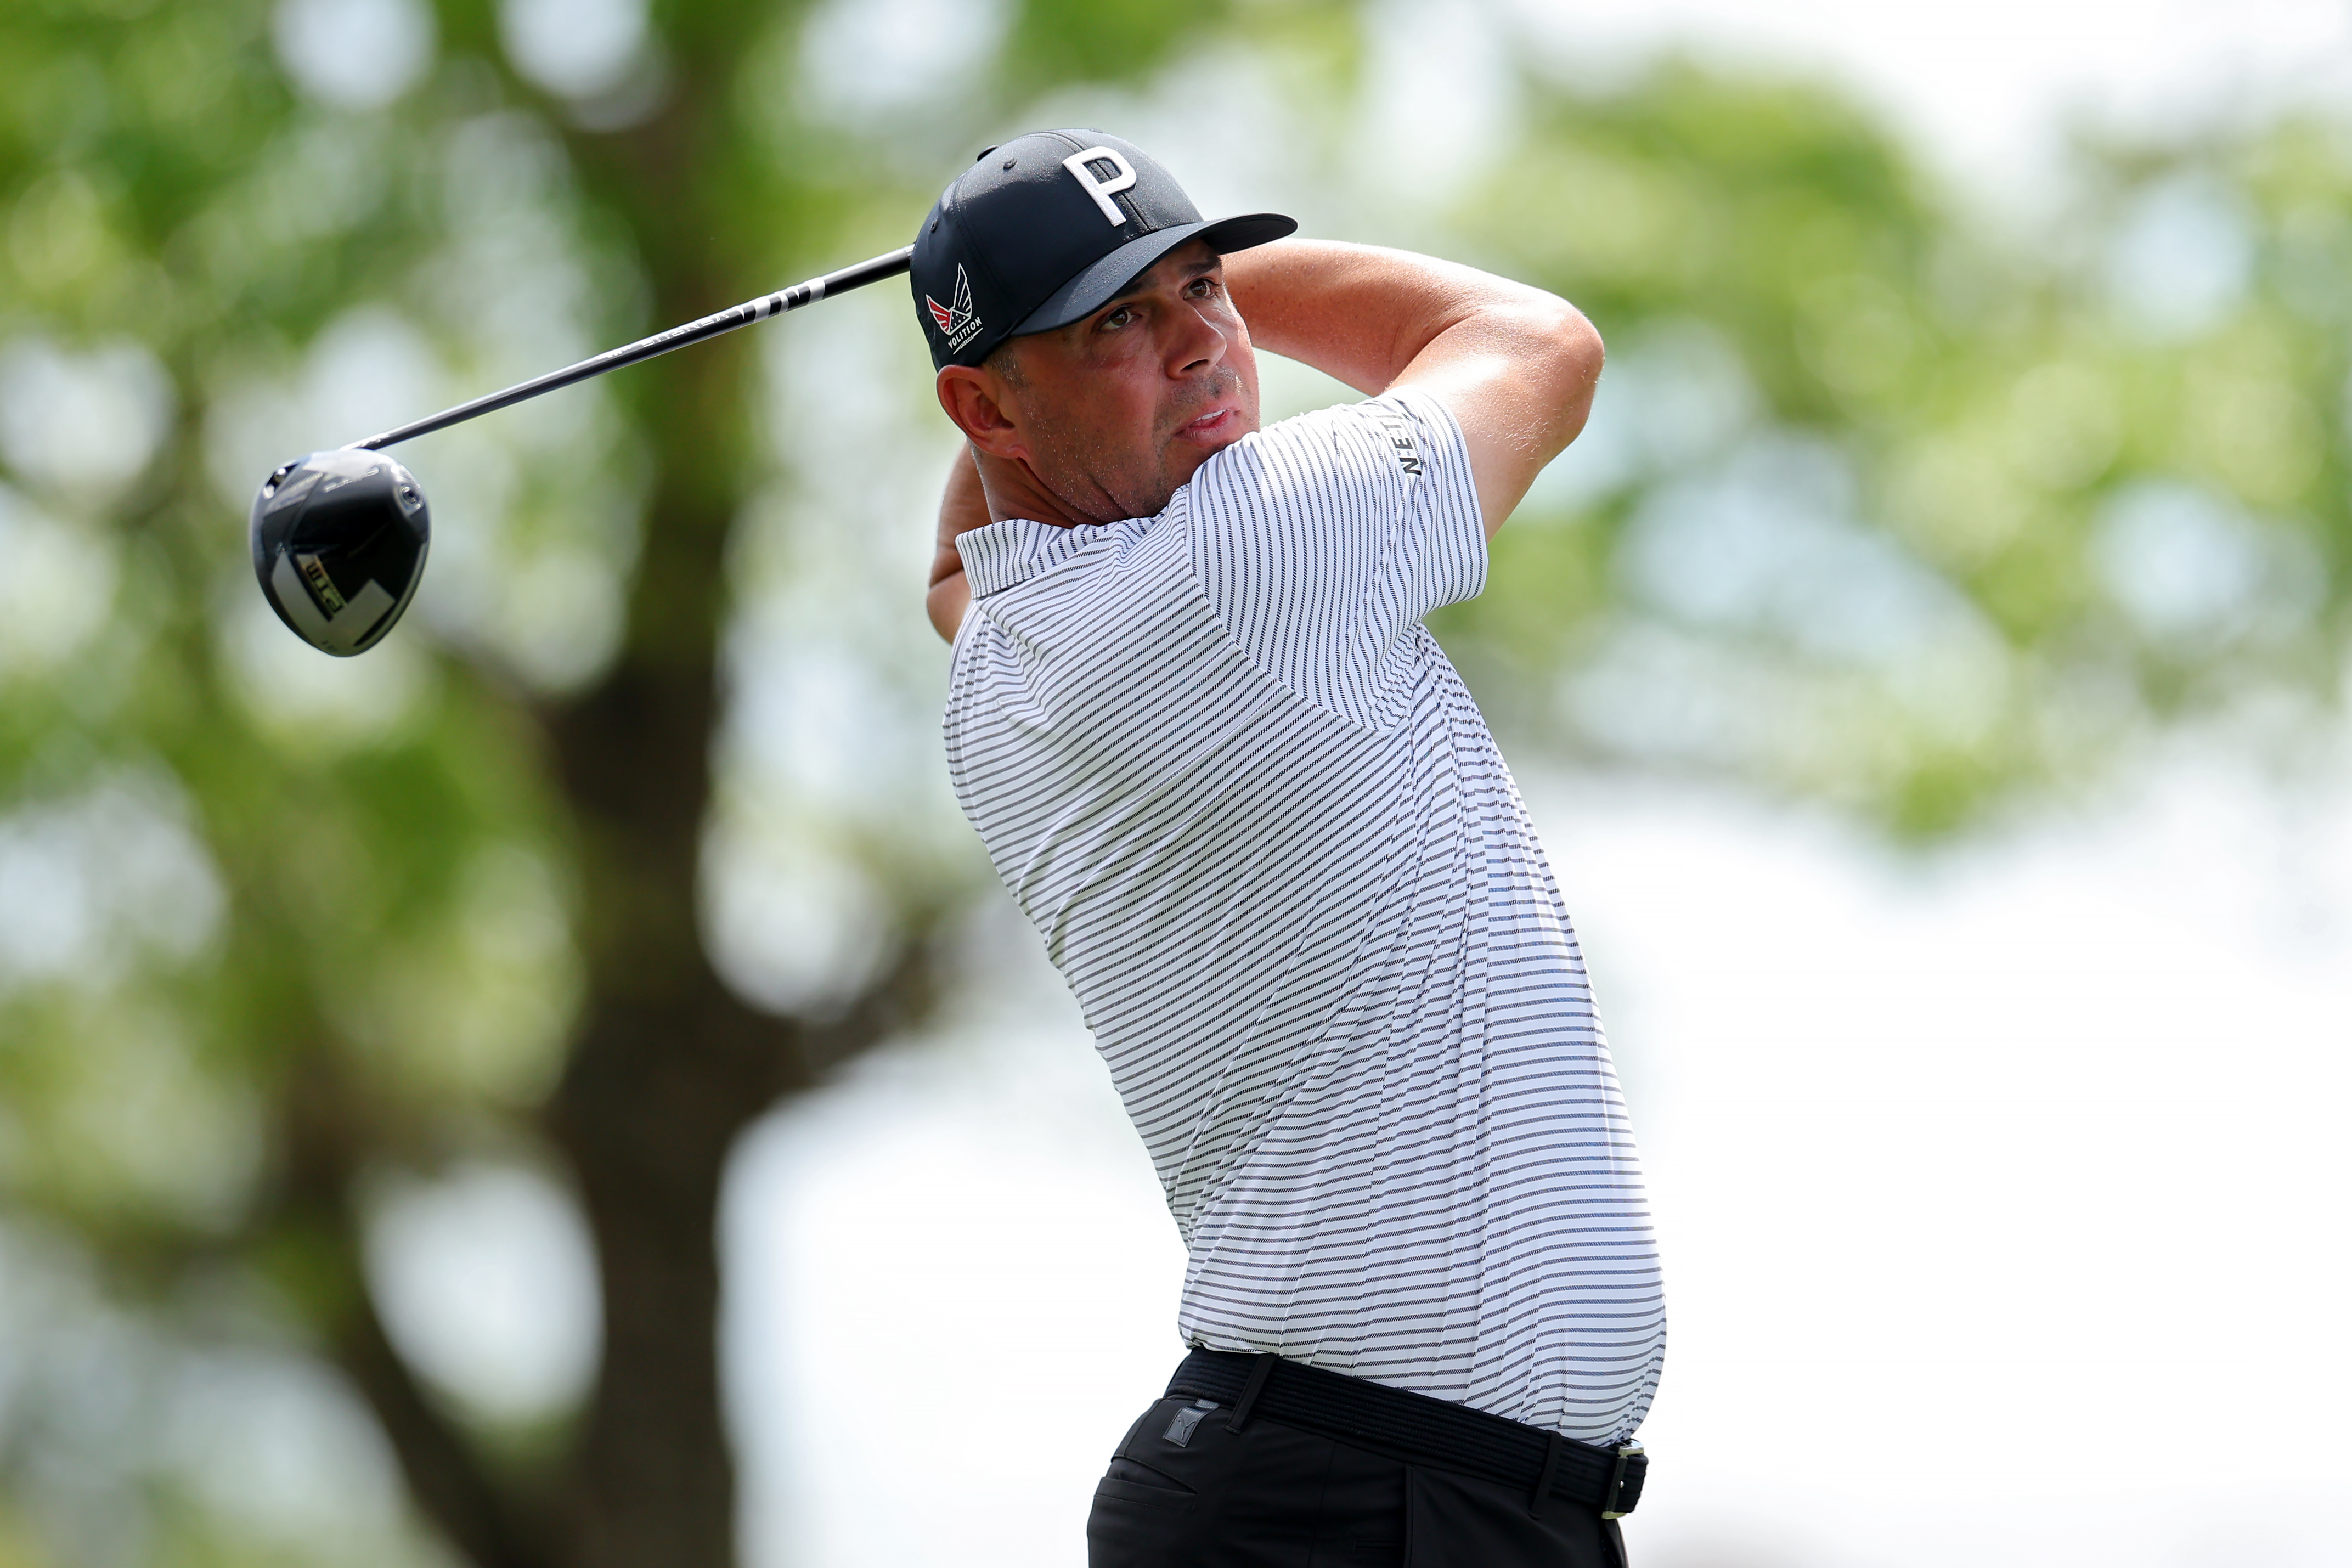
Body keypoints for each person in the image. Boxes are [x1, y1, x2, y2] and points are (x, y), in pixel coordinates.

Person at [911, 129, 1664, 1566]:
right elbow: (1538, 344)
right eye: (1124, 321)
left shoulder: (999, 665)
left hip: (1355, 1493)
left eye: (1208, 287)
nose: (1203, 343)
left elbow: (960, 565)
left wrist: (1031, 315)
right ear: (986, 410)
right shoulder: (1244, 555)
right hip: (1359, 1506)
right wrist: (1173, 267)